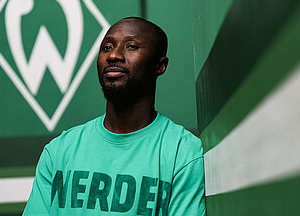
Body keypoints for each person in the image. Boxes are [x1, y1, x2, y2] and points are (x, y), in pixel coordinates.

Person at [23, 17, 206, 216]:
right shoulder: (59, 151)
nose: (114, 56)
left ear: (160, 66)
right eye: (107, 47)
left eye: (131, 47)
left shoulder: (183, 152)